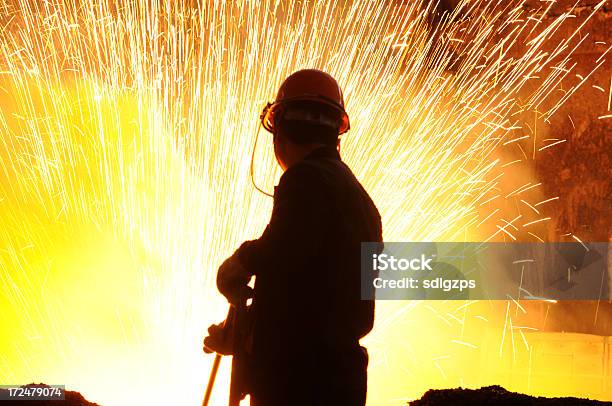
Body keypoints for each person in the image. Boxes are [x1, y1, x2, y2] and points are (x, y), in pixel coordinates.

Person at [204, 69, 383, 406]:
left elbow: (282, 253)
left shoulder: (305, 180)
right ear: (336, 133)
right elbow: (314, 295)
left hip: (296, 383)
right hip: (342, 381)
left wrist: (240, 262)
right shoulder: (362, 202)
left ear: (280, 129)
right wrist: (244, 334)